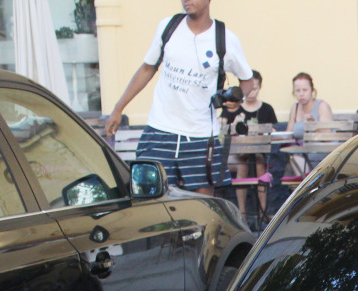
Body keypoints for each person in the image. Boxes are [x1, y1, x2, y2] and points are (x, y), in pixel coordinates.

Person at [104, 0, 252, 196]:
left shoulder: (224, 38)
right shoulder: (168, 27)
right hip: (160, 131)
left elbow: (247, 81)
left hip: (200, 136)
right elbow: (148, 68)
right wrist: (118, 108)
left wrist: (237, 99)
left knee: (202, 208)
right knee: (148, 199)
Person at [222, 70, 276, 220]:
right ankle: (243, 212)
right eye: (249, 88)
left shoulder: (266, 109)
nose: (252, 92)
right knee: (243, 165)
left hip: (258, 152)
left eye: (255, 88)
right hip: (236, 154)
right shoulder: (233, 107)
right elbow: (222, 130)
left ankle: (262, 212)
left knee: (259, 161)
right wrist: (234, 124)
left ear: (260, 88)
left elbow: (273, 131)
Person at [286, 72, 334, 176]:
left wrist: (313, 125)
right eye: (297, 90)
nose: (301, 94)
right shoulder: (295, 107)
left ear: (312, 90)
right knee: (291, 155)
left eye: (305, 90)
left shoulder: (321, 106)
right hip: (300, 151)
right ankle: (305, 185)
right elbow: (288, 135)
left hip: (320, 151)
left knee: (294, 156)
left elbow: (328, 138)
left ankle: (305, 185)